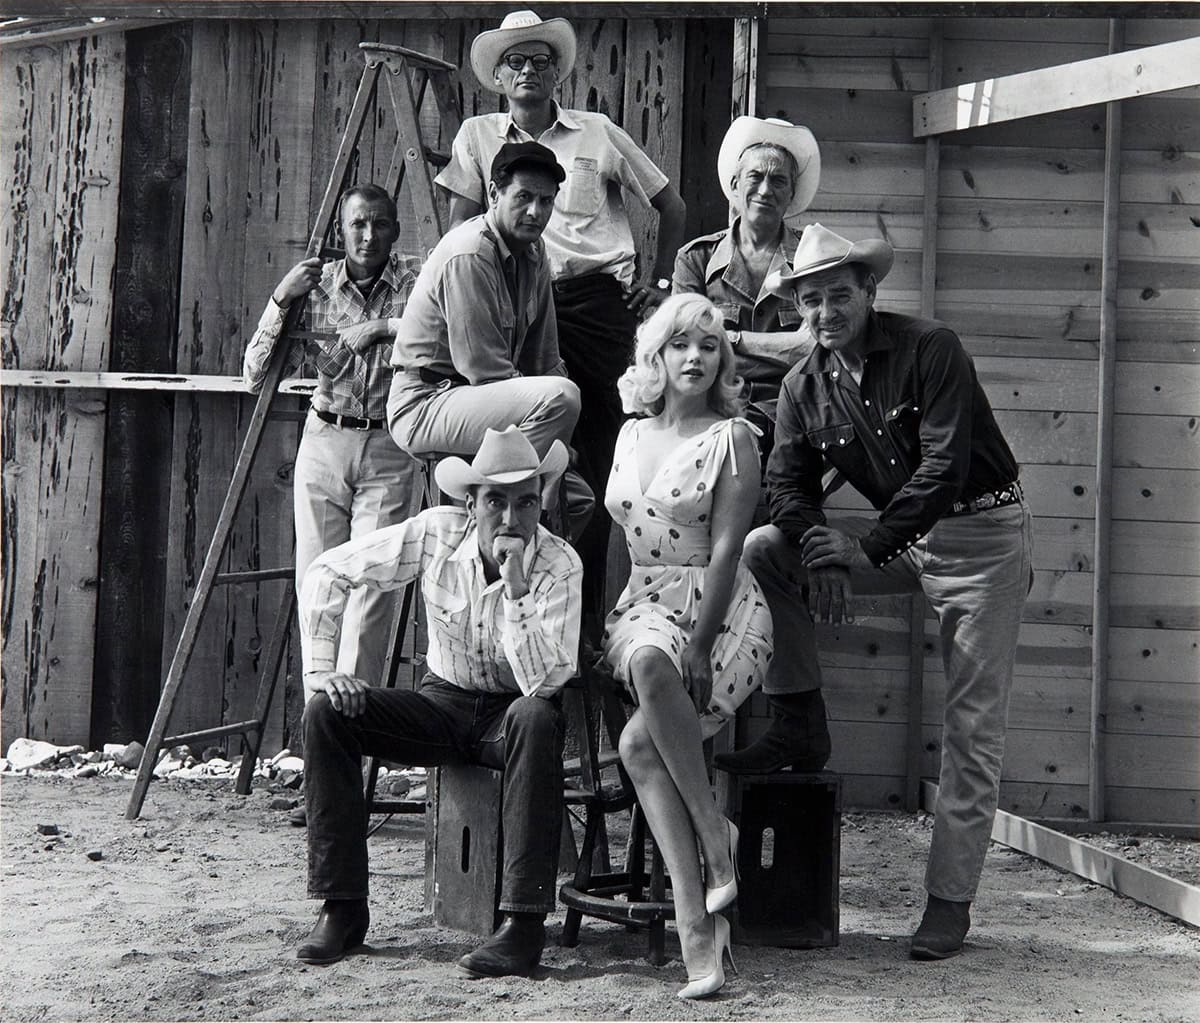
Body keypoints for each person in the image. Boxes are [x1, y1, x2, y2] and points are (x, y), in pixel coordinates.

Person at [718, 224, 1034, 961]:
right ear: (798, 305)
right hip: (897, 543)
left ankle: (948, 903)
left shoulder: (932, 349)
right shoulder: (803, 386)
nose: (826, 312)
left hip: (983, 538)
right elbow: (785, 485)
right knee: (769, 547)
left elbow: (945, 468)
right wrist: (822, 552)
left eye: (839, 294)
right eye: (811, 300)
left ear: (868, 292)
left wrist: (861, 546)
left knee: (971, 729)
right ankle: (799, 718)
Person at [295, 425, 583, 978]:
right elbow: (328, 572)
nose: (511, 518)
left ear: (540, 501)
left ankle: (522, 928)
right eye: (495, 501)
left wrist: (517, 587)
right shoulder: (436, 533)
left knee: (536, 717)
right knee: (327, 713)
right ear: (470, 504)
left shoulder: (560, 564)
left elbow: (544, 682)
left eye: (526, 502)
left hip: (513, 714)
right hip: (442, 704)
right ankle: (344, 907)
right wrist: (323, 672)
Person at [436, 9, 688, 634]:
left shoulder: (595, 132)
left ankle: (587, 627)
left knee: (602, 464)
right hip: (512, 302)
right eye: (516, 61)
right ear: (498, 75)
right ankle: (508, 618)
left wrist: (658, 286)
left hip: (593, 306)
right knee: (512, 459)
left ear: (558, 73)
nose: (529, 70)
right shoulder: (476, 136)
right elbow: (459, 232)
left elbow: (670, 203)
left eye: (541, 60)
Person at [601, 294, 772, 998]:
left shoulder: (735, 437)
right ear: (658, 357)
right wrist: (600, 624)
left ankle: (697, 928)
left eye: (710, 346)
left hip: (721, 610)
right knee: (643, 654)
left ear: (723, 361)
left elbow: (730, 545)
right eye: (681, 345)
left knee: (640, 746)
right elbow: (619, 532)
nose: (696, 357)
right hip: (642, 605)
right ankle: (714, 837)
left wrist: (700, 644)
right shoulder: (629, 434)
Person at [243, 183, 422, 687]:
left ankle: (355, 722)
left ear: (396, 230)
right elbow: (254, 374)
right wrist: (281, 297)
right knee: (318, 579)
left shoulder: (416, 279)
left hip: (390, 443)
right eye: (357, 225)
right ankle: (321, 708)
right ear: (340, 232)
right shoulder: (315, 287)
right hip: (325, 438)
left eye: (380, 224)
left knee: (372, 582)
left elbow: (448, 330)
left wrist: (385, 326)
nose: (368, 235)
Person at [387, 139, 591, 536]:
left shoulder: (535, 251)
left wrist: (561, 442)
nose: (536, 212)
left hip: (480, 405)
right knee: (561, 397)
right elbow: (485, 372)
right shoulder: (469, 252)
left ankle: (517, 557)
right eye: (524, 197)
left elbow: (545, 360)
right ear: (494, 194)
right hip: (426, 403)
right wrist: (554, 438)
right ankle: (494, 509)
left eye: (546, 201)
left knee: (579, 499)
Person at [673, 115, 821, 408]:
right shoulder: (695, 259)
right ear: (735, 184)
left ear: (791, 193)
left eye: (778, 180)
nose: (765, 190)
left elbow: (814, 348)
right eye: (755, 177)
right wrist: (783, 352)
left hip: (794, 409)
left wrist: (731, 340)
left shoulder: (813, 255)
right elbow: (686, 349)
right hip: (715, 407)